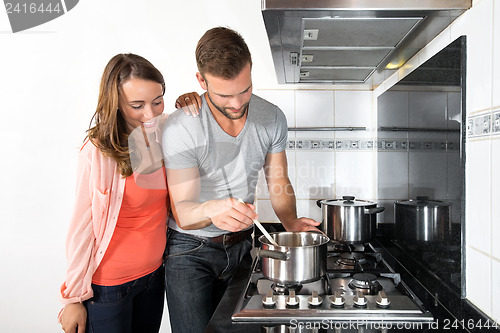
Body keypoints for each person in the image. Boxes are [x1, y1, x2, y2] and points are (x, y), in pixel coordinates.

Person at [162, 27, 321, 333]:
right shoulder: (182, 128)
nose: (236, 103)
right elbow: (182, 210)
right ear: (201, 81)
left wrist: (290, 223)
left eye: (244, 90)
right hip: (189, 253)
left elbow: (279, 181)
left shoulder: (272, 118)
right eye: (224, 95)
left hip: (242, 249)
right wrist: (213, 209)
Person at [58, 53, 195, 333]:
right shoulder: (98, 152)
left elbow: (197, 123)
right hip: (109, 289)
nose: (151, 113)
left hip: (153, 278)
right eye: (137, 105)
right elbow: (81, 228)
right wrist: (73, 298)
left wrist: (193, 101)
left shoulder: (163, 132)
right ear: (117, 104)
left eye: (158, 101)